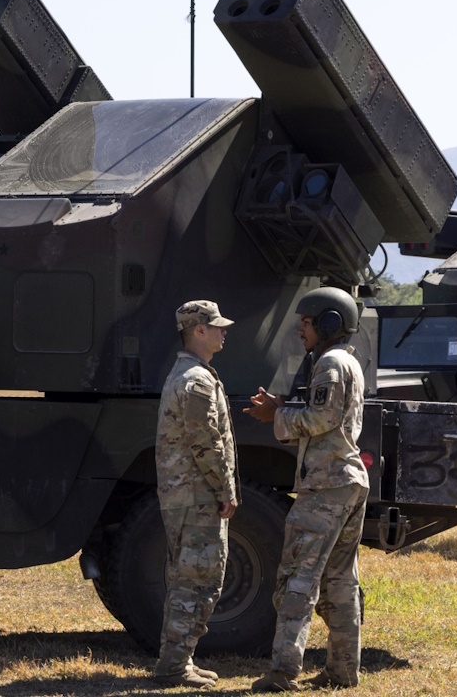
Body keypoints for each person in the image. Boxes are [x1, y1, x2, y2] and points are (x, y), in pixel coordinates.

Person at [245, 286, 369, 692]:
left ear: (329, 324)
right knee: (339, 581)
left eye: (306, 322)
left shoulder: (329, 363)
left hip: (326, 485)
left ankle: (283, 671)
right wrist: (284, 404)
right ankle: (343, 671)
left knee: (298, 577)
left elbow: (322, 418)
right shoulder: (345, 362)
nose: (300, 329)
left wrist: (277, 414)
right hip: (346, 482)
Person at [152, 300, 240, 688]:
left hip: (188, 495)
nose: (224, 331)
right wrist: (225, 489)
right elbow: (206, 441)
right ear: (198, 331)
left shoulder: (191, 374)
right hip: (196, 496)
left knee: (190, 579)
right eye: (217, 326)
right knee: (197, 581)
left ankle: (179, 660)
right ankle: (174, 666)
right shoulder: (196, 381)